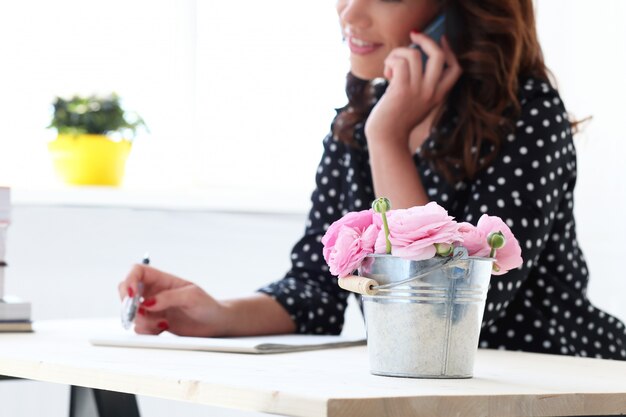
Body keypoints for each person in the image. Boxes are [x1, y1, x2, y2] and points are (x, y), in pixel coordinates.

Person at [119, 0, 626, 360]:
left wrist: (387, 140)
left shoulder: (528, 114)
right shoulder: (359, 116)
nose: (350, 15)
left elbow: (452, 314)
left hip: (560, 378)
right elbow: (315, 291)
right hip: (432, 391)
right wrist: (213, 313)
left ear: (457, 11)